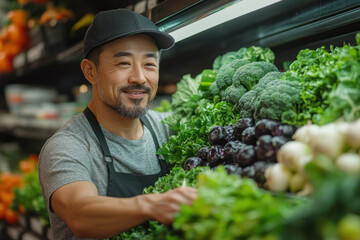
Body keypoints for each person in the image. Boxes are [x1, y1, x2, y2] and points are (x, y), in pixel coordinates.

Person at [38, 8, 197, 240]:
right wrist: (151, 205)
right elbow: (79, 213)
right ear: (90, 71)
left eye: (150, 64)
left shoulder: (169, 129)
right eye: (124, 63)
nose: (139, 78)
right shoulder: (68, 147)